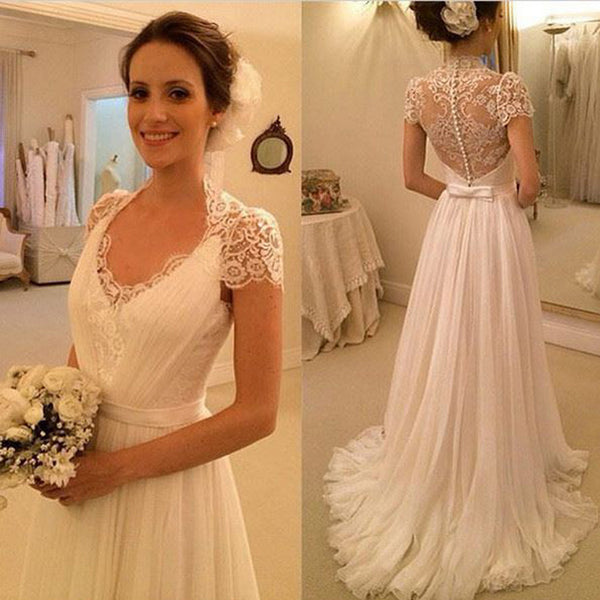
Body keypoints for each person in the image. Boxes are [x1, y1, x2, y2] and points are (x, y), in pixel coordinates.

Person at [323, 2, 598, 599]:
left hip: (451, 222)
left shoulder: (417, 90)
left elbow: (410, 177)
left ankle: (443, 443)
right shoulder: (506, 88)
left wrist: (459, 194)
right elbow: (529, 184)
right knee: (497, 329)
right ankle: (493, 445)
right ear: (488, 22)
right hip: (497, 224)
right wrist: (499, 198)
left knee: (446, 329)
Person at [19, 11, 282, 600]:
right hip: (83, 467)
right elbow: (91, 336)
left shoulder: (245, 233)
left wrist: (113, 471)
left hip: (170, 483)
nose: (153, 113)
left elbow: (259, 412)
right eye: (140, 93)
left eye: (178, 93)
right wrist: (55, 430)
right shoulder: (105, 212)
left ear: (217, 107)